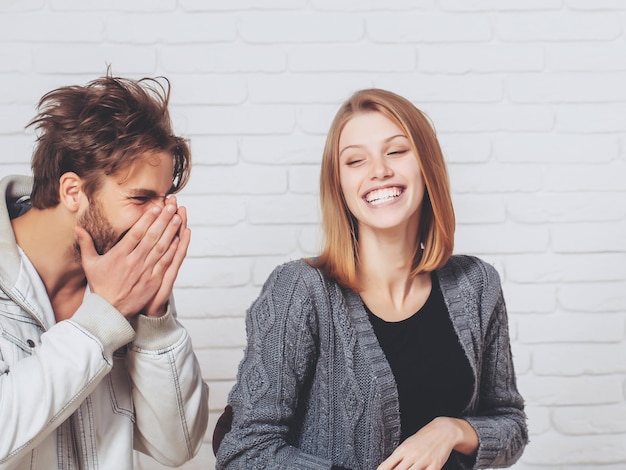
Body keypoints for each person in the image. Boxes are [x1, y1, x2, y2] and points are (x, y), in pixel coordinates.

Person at [215, 89, 528, 469]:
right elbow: (245, 452)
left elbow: (511, 424)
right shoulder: (301, 291)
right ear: (340, 184)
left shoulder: (477, 285)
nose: (378, 170)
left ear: (426, 165)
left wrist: (451, 430)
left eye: (396, 151)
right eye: (355, 160)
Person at [0, 73, 209, 469]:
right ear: (73, 191)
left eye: (164, 198)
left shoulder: (130, 279)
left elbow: (175, 447)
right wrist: (101, 320)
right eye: (141, 198)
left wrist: (155, 319)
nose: (161, 216)